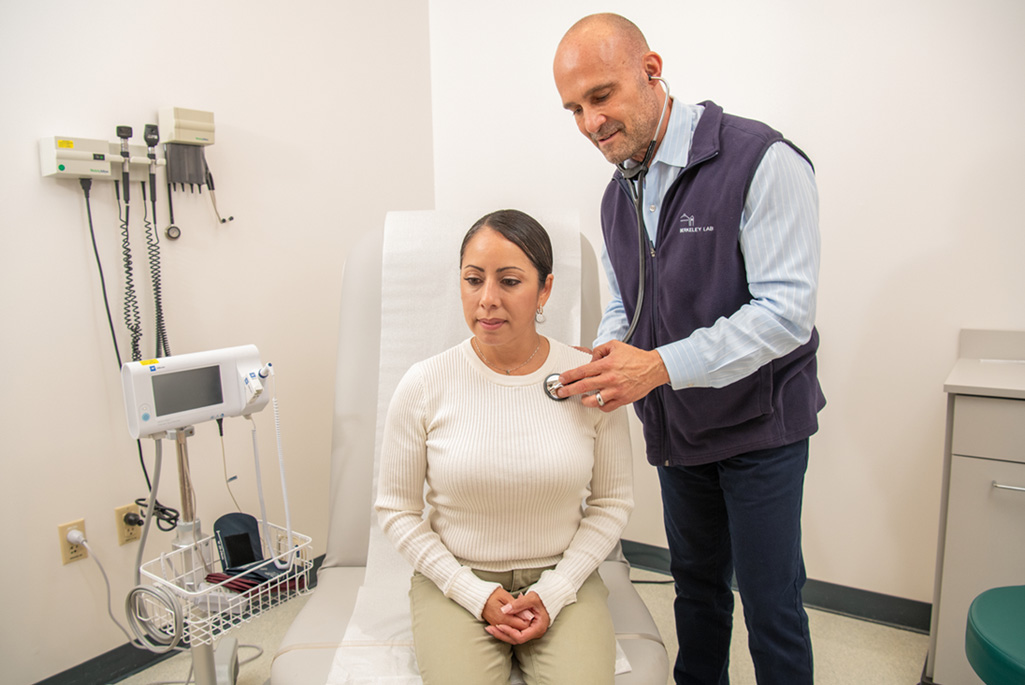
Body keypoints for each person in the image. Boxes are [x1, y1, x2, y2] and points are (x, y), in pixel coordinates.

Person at [552, 13, 825, 685]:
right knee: (695, 590)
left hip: (760, 429)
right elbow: (628, 303)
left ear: (651, 70)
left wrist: (661, 365)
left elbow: (785, 313)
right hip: (678, 429)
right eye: (574, 109)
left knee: (770, 603)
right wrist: (609, 354)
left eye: (601, 95)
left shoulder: (760, 160)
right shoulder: (617, 194)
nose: (590, 123)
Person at [375, 209, 634, 685]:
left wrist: (556, 590)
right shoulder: (425, 384)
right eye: (473, 280)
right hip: (454, 577)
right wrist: (471, 592)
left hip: (562, 573)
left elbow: (612, 502)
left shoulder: (585, 381)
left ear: (546, 289)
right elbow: (396, 509)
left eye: (509, 281)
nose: (487, 300)